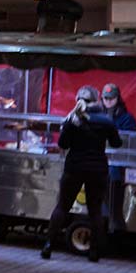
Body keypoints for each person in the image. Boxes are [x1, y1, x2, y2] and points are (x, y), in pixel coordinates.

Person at [42, 86, 123, 262]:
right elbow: (117, 143)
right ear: (97, 100)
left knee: (62, 206)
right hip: (97, 170)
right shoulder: (106, 121)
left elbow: (63, 145)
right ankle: (94, 252)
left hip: (74, 168)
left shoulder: (73, 119)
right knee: (95, 210)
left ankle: (48, 246)